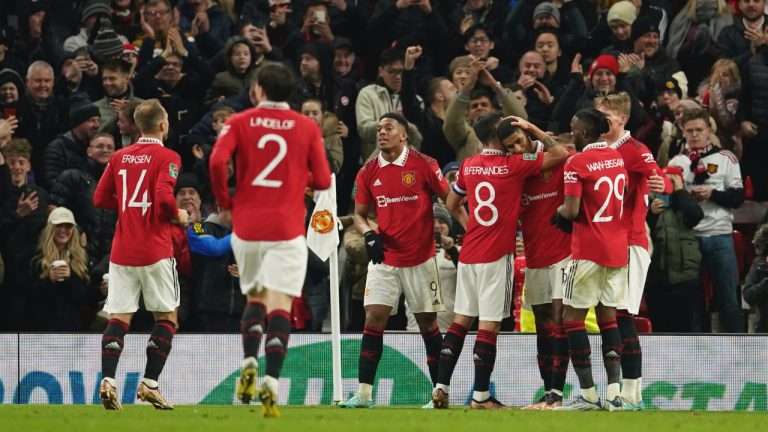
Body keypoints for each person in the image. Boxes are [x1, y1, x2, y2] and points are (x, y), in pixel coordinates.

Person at [208, 62, 331, 417]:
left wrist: (225, 202)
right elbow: (323, 180)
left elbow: (217, 161)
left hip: (247, 227)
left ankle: (249, 361)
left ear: (258, 89)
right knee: (281, 304)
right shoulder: (306, 126)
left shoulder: (238, 121)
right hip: (287, 228)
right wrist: (296, 175)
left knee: (255, 297)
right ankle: (272, 382)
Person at [432, 112, 568, 410]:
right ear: (498, 135)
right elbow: (559, 153)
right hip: (496, 254)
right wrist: (531, 127)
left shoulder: (468, 165)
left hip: (469, 253)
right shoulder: (513, 166)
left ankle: (440, 387)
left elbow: (450, 202)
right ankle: (481, 397)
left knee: (459, 322)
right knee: (488, 326)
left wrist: (470, 227)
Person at [339, 112, 461, 409]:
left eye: (388, 128)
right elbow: (359, 214)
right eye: (379, 128)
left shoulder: (424, 164)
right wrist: (368, 233)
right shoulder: (367, 171)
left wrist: (470, 231)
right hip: (385, 259)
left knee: (427, 325)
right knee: (373, 319)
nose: (381, 132)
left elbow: (450, 201)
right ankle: (364, 394)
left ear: (403, 135)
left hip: (420, 259)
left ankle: (439, 394)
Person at [93, 99, 187, 411]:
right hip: (155, 249)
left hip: (122, 251)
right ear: (163, 124)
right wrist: (179, 215)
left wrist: (127, 208)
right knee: (167, 316)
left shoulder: (120, 156)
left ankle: (108, 380)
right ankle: (149, 384)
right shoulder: (169, 156)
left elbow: (100, 197)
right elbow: (162, 197)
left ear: (137, 125)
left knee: (119, 317)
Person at [595, 92, 669, 410]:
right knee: (608, 316)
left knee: (623, 315)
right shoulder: (596, 151)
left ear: (622, 119)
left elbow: (660, 178)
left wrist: (659, 185)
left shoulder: (635, 150)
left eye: (606, 117)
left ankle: (632, 394)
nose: (600, 122)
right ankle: (624, 393)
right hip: (602, 245)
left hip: (629, 244)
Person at [554, 108, 628, 410]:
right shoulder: (617, 157)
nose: (571, 132)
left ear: (583, 132)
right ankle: (614, 394)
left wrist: (557, 213)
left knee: (572, 319)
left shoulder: (577, 162)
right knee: (608, 318)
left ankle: (587, 393)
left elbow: (570, 211)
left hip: (587, 252)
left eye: (573, 128)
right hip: (617, 250)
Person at [505, 117, 573, 410]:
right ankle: (549, 394)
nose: (517, 148)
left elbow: (562, 152)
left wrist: (533, 128)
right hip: (534, 257)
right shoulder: (518, 171)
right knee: (544, 327)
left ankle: (557, 394)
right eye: (510, 147)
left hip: (563, 255)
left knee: (558, 322)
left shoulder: (556, 160)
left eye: (520, 140)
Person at [668, 109, 743, 332]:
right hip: (688, 238)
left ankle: (737, 346)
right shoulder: (677, 161)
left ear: (709, 130)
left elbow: (737, 198)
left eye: (699, 130)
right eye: (689, 130)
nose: (694, 135)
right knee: (691, 298)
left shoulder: (726, 158)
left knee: (728, 296)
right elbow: (669, 199)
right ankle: (694, 348)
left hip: (719, 235)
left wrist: (711, 194)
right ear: (682, 131)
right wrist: (684, 196)